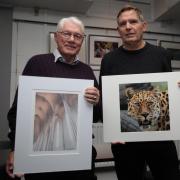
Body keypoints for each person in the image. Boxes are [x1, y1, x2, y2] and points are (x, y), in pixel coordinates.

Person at [6, 16, 100, 180]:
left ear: (82, 41)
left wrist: (97, 102)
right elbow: (18, 112)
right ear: (56, 37)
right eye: (66, 34)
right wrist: (16, 149)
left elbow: (96, 116)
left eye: (77, 36)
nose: (72, 39)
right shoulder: (37, 63)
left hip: (79, 159)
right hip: (41, 160)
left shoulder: (87, 71)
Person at [99, 5, 180, 180]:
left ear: (144, 26)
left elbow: (168, 95)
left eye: (133, 21)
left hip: (160, 138)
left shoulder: (161, 55)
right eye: (122, 24)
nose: (128, 26)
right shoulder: (109, 60)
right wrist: (112, 131)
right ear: (118, 30)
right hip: (124, 141)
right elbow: (106, 99)